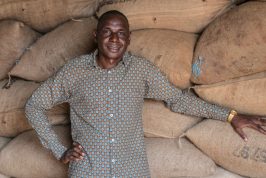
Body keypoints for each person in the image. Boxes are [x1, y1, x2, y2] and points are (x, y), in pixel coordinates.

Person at [25, 10, 266, 177]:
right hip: (88, 171)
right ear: (95, 36)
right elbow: (34, 105)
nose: (114, 39)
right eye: (107, 31)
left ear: (129, 39)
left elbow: (178, 100)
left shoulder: (141, 70)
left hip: (133, 171)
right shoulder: (75, 71)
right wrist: (59, 151)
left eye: (121, 33)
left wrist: (231, 115)